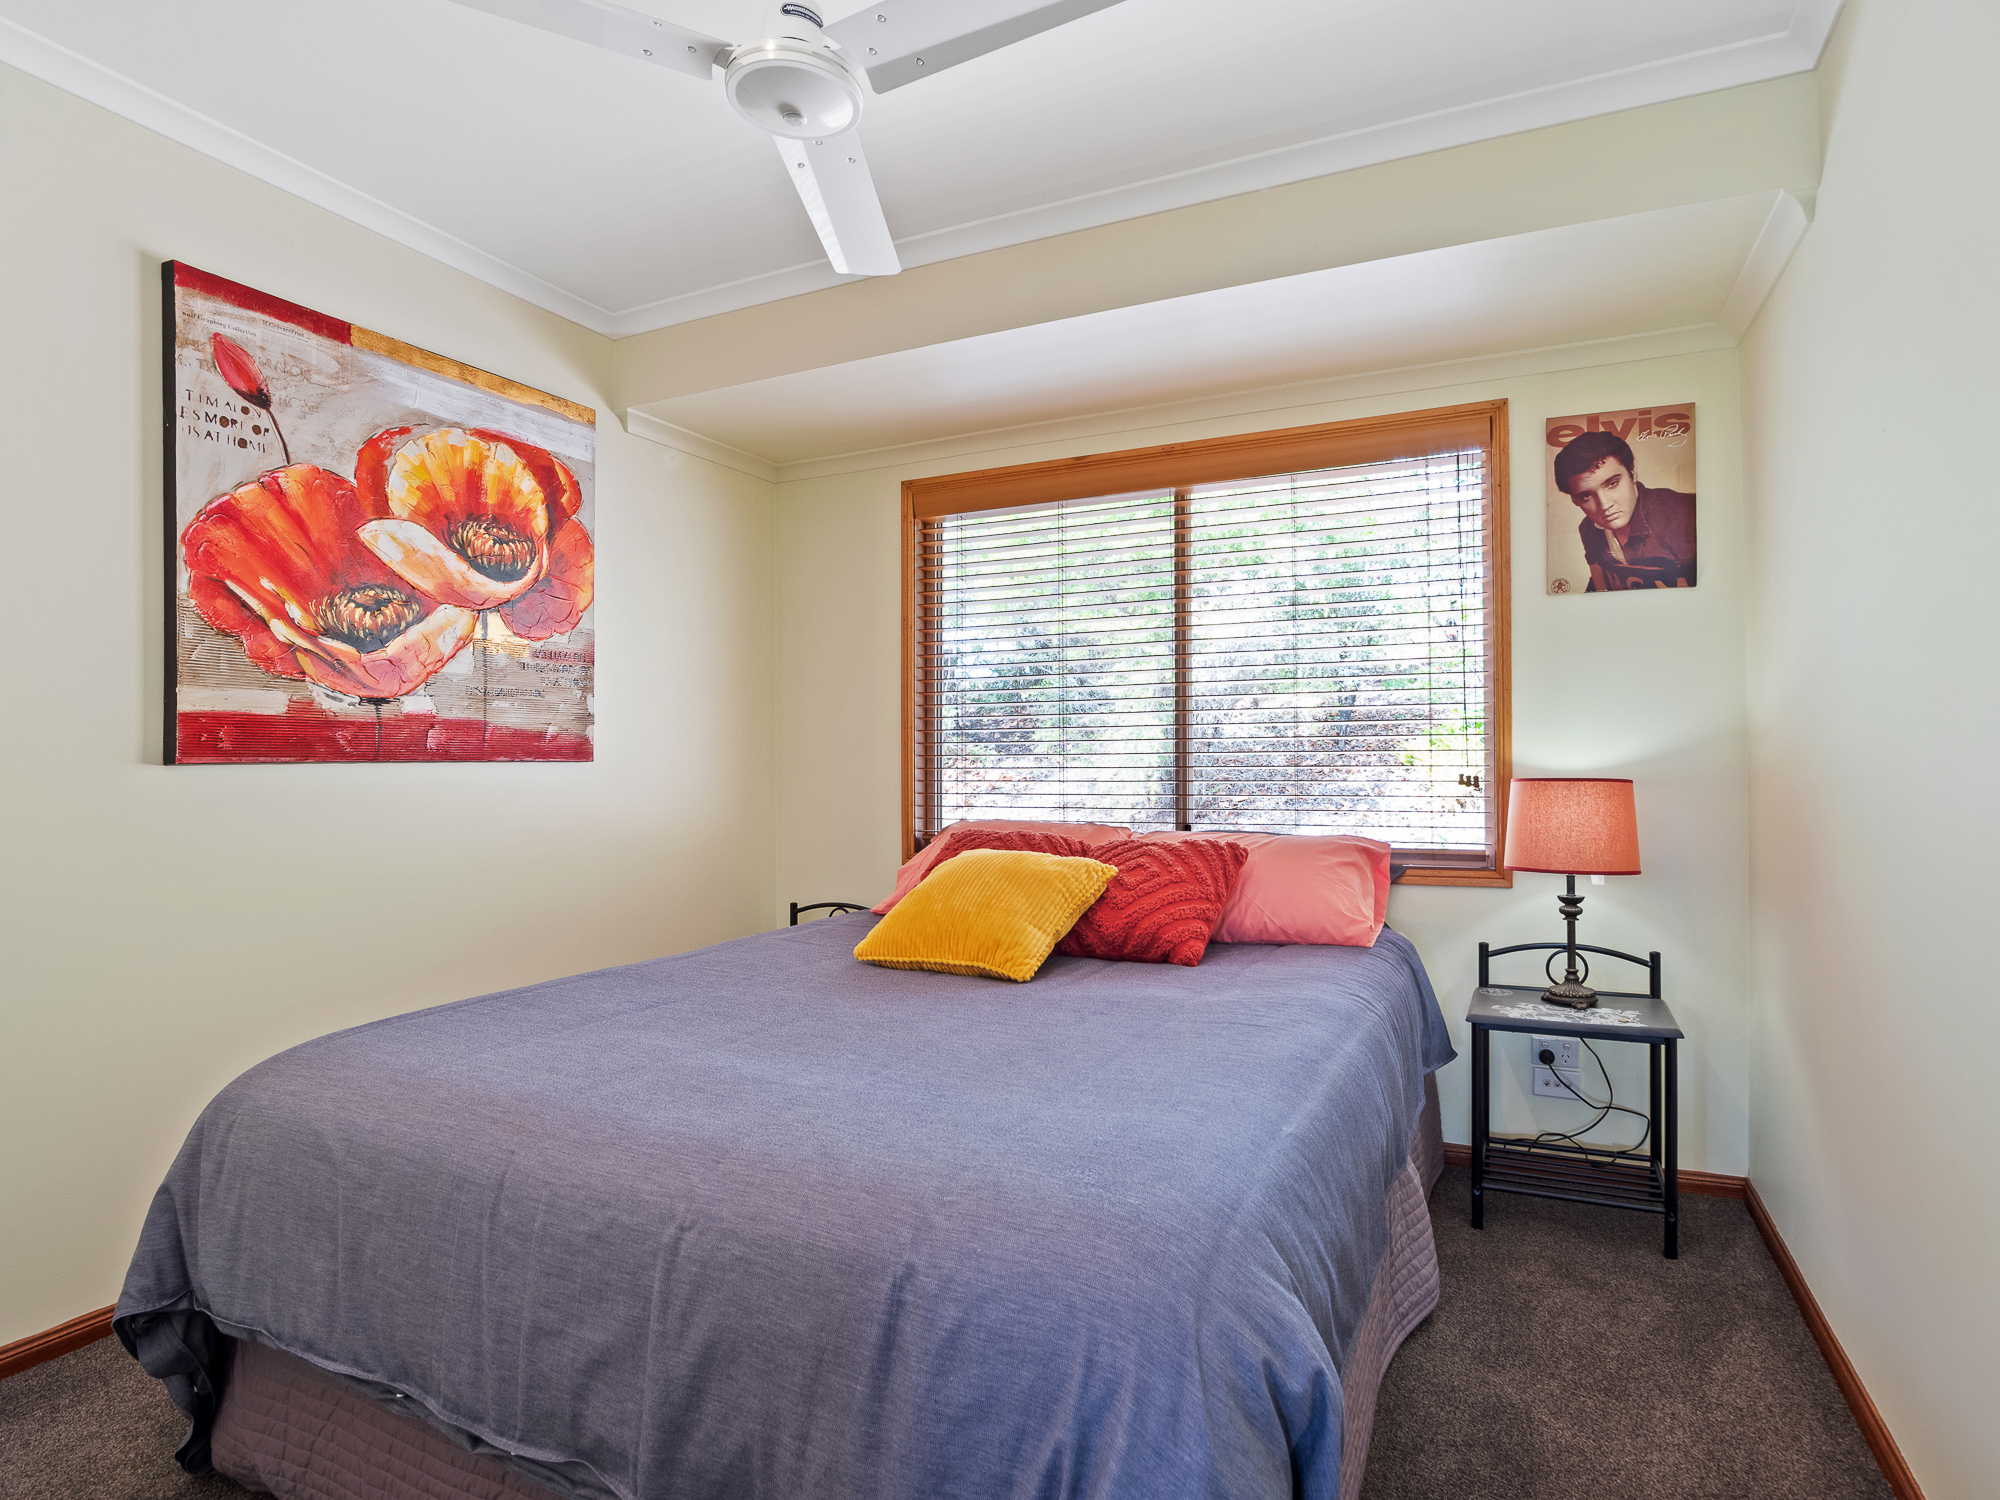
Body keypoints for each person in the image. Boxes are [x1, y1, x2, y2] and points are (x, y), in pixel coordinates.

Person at [1553, 430, 1696, 590]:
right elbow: (1600, 590)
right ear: (1575, 500)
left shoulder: (1683, 515)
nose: (1605, 505)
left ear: (1632, 475)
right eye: (1586, 496)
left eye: (1612, 483)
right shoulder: (1588, 529)